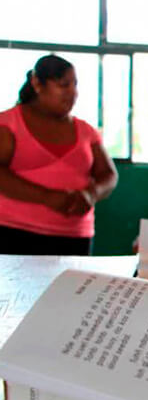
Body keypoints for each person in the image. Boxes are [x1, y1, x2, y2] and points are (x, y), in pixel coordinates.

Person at [0, 54, 117, 255]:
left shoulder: (86, 131)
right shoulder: (9, 124)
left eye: (75, 85)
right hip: (14, 232)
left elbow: (108, 175)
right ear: (37, 83)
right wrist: (47, 198)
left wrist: (91, 194)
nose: (72, 93)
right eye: (64, 85)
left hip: (74, 237)